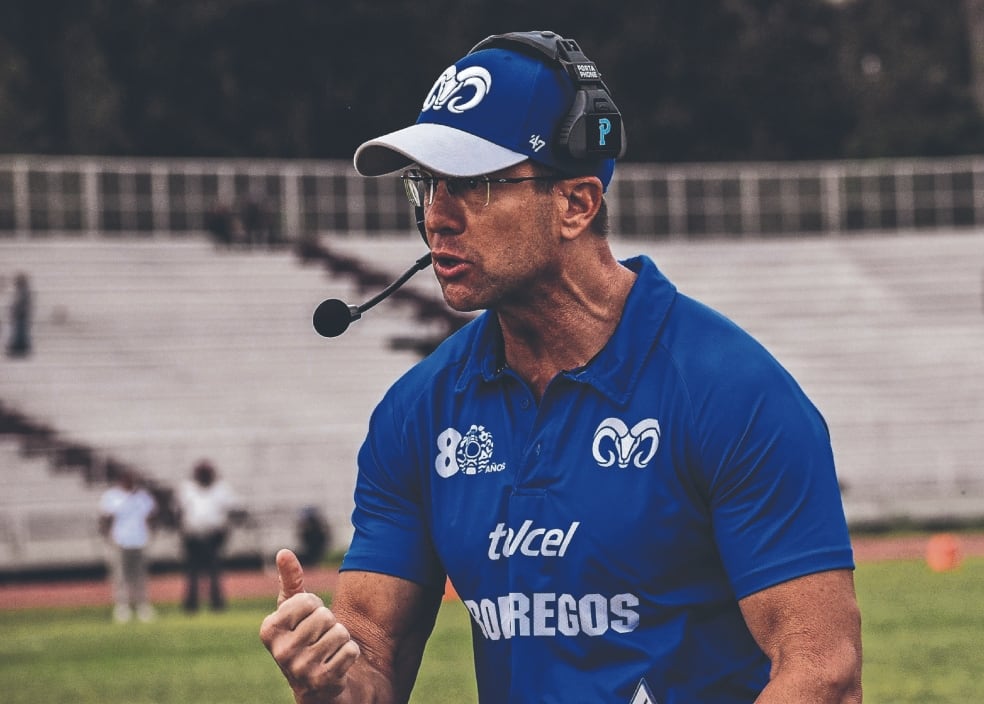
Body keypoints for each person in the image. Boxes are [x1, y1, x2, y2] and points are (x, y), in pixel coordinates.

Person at [260, 30, 862, 703]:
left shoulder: (732, 392)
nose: (436, 217)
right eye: (425, 185)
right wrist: (326, 680)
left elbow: (822, 675)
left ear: (576, 204)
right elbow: (371, 664)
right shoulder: (415, 414)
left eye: (473, 185)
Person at [176, 460, 239, 612]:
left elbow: (233, 510)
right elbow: (178, 512)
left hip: (214, 536)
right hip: (192, 536)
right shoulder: (187, 489)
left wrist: (225, 530)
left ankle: (217, 603)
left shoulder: (222, 489)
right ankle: (191, 604)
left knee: (214, 570)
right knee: (192, 572)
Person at [99, 469, 158, 623]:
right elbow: (105, 518)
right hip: (120, 540)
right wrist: (108, 537)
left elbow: (151, 516)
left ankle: (142, 606)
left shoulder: (142, 497)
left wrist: (151, 533)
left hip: (139, 540)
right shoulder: (112, 497)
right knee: (120, 576)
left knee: (140, 576)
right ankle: (122, 606)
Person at [6, 272, 32, 358]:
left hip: (21, 316)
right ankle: (20, 349)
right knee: (20, 333)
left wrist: (14, 311)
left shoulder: (24, 291)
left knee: (20, 333)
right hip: (21, 315)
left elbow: (21, 304)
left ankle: (19, 350)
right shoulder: (23, 290)